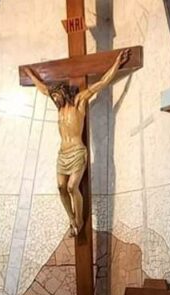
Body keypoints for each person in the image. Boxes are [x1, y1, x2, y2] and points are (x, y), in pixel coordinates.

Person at [25, 49, 130, 237]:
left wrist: (117, 63)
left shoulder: (80, 102)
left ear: (63, 92)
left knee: (72, 186)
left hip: (77, 151)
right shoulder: (59, 109)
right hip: (62, 154)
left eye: (56, 96)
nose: (54, 98)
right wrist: (30, 74)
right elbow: (42, 88)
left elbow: (102, 83)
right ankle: (71, 219)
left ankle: (79, 220)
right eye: (53, 97)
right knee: (60, 187)